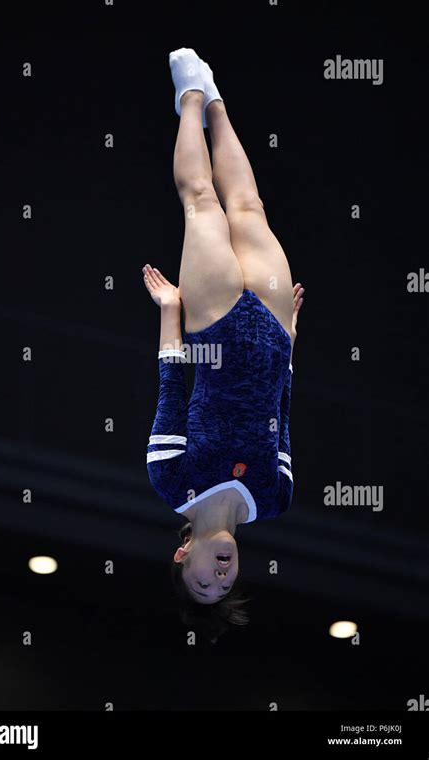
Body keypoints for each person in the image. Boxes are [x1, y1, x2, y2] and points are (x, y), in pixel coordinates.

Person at [143, 48, 304, 638]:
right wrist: (291, 340)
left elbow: (171, 384)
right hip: (270, 329)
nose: (220, 577)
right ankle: (216, 101)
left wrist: (169, 312)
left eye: (203, 583)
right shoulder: (274, 495)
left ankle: (187, 97)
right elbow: (281, 413)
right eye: (225, 586)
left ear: (182, 557)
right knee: (249, 205)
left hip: (213, 327)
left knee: (203, 204)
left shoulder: (171, 480)